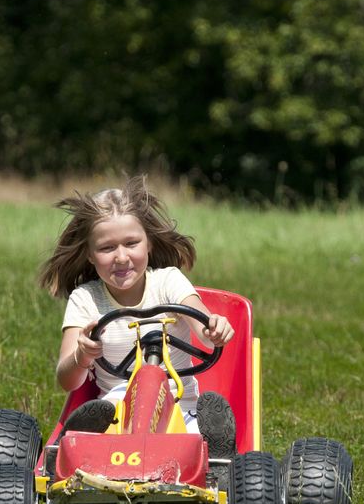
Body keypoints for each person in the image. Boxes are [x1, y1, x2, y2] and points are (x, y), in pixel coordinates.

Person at [37, 178, 238, 459]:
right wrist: (82, 355)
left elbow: (202, 325)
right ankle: (81, 442)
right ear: (90, 255)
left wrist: (214, 329)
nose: (121, 257)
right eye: (107, 248)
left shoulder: (169, 281)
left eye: (131, 243)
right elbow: (67, 380)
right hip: (117, 408)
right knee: (106, 420)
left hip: (179, 404)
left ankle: (217, 454)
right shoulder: (85, 299)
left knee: (193, 439)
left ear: (149, 244)